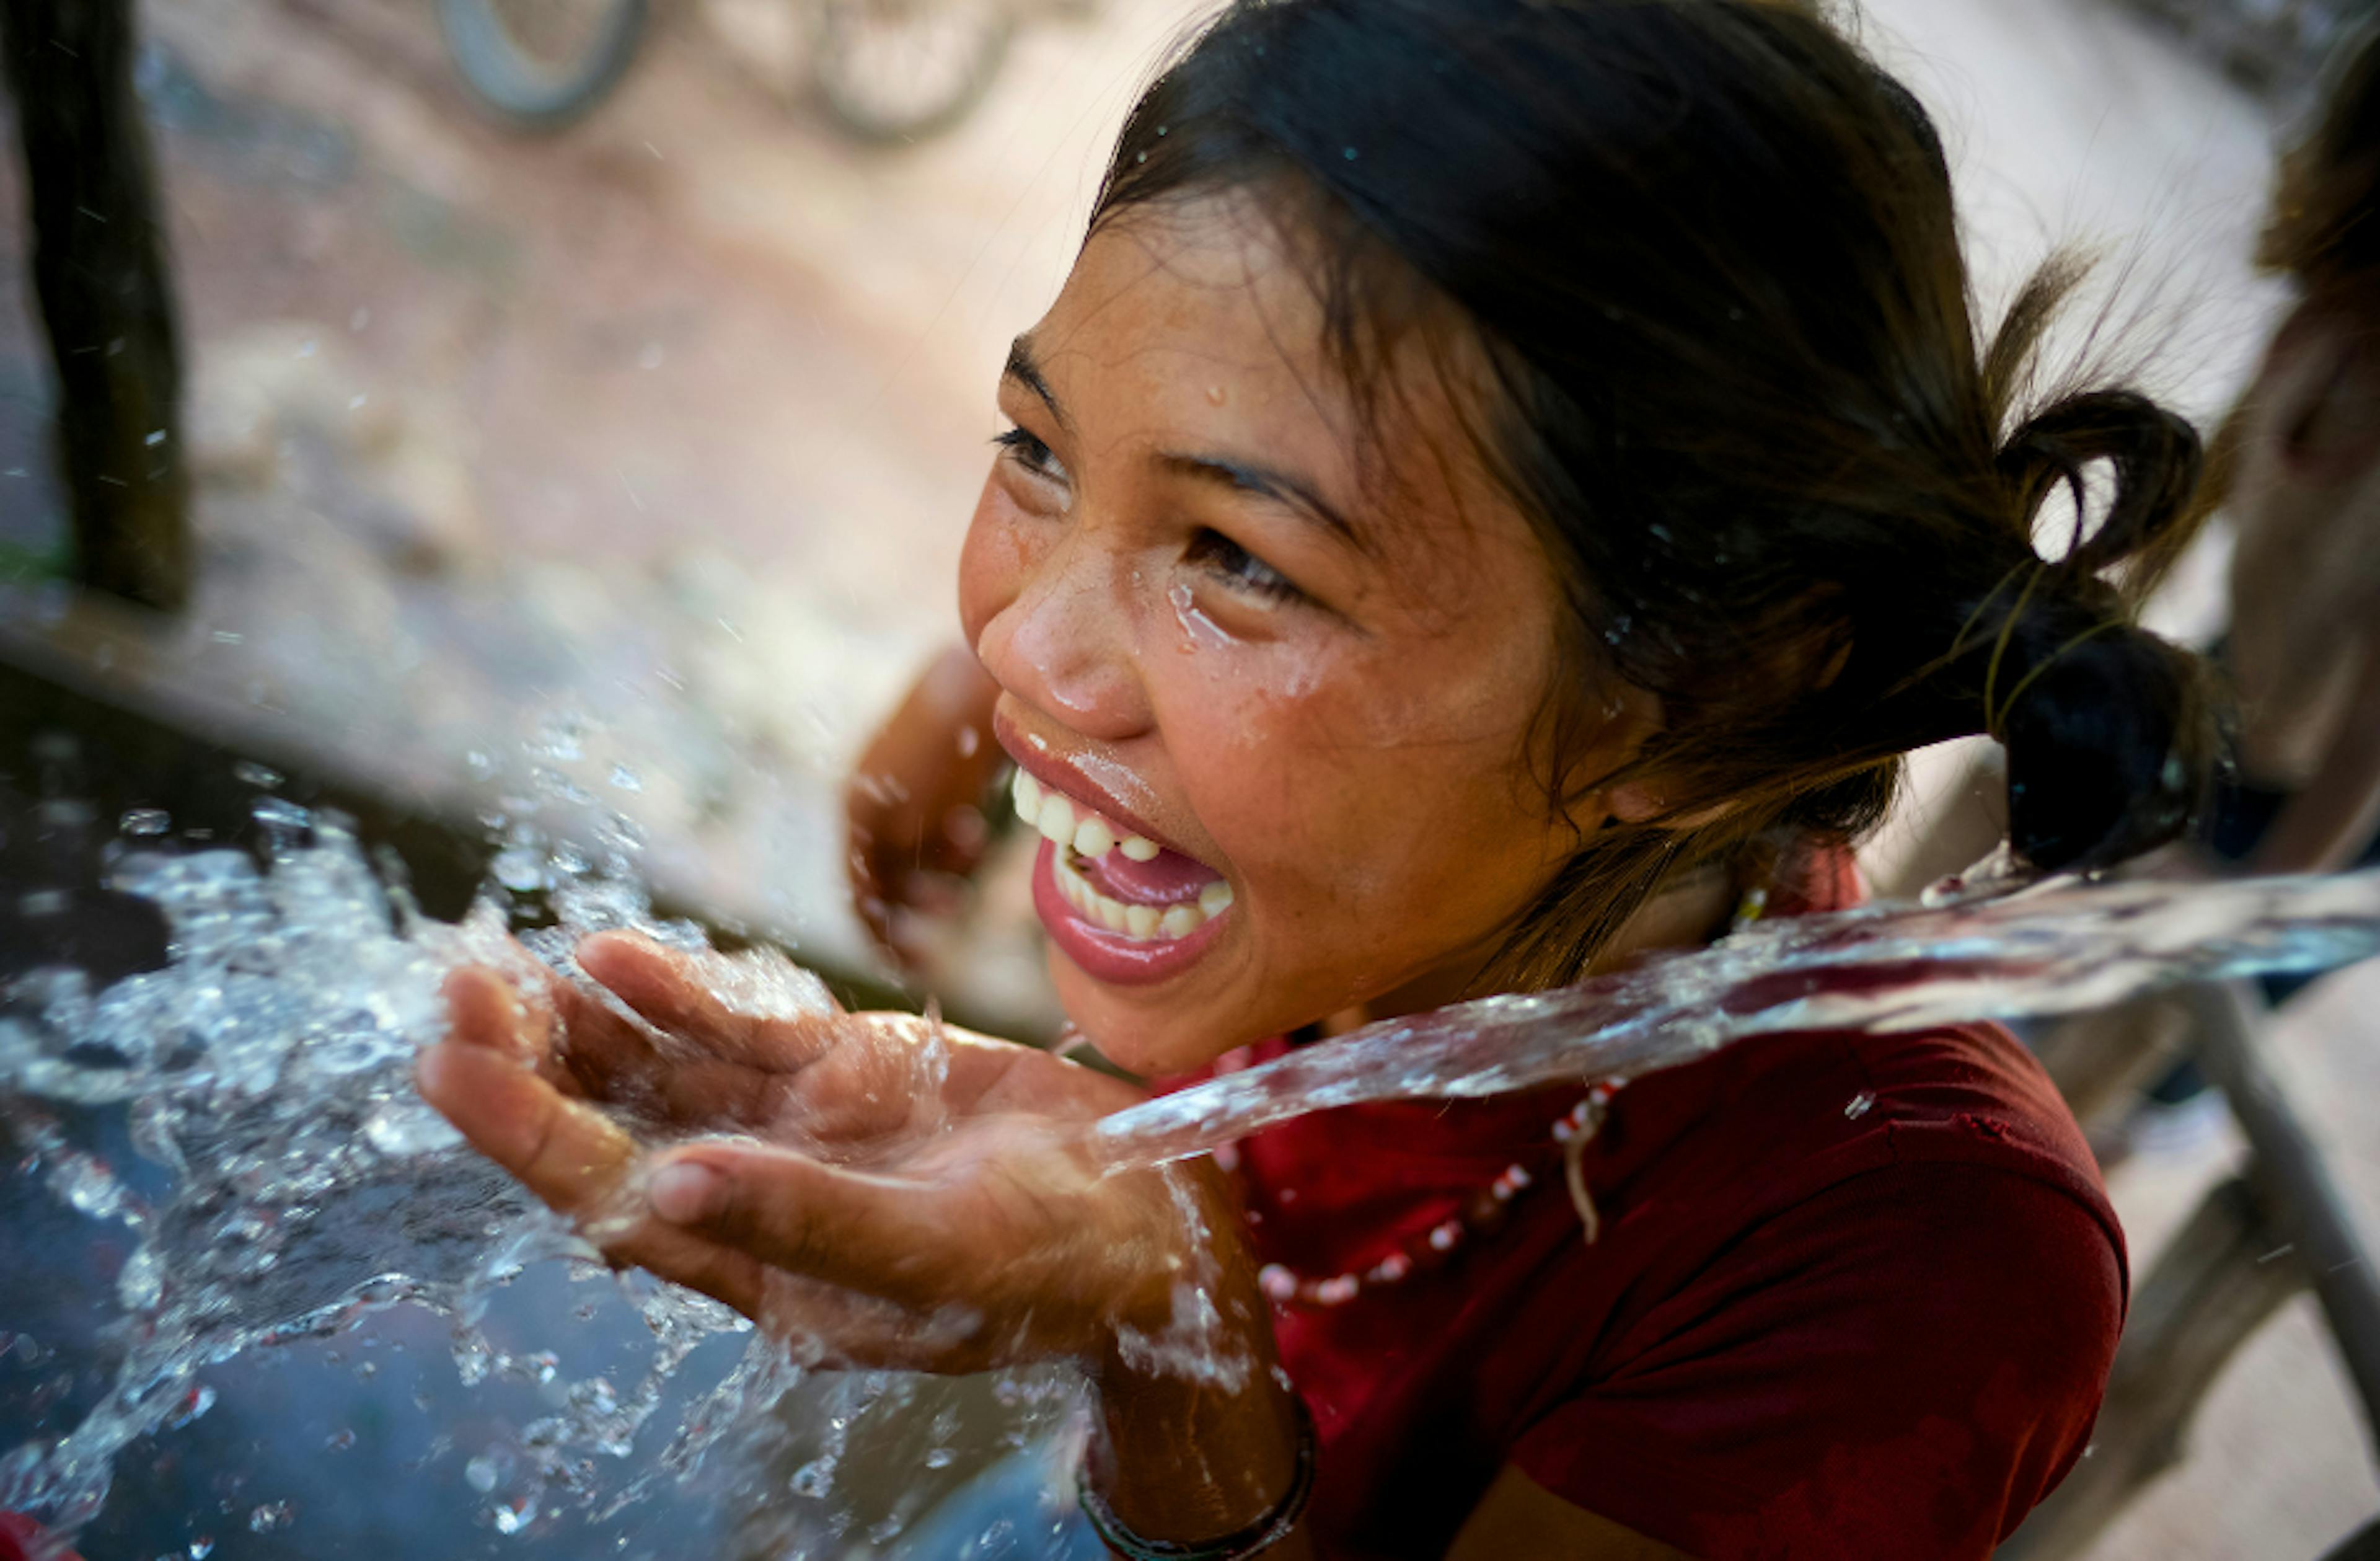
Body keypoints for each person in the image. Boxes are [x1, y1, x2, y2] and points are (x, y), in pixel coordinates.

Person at [418, 1, 2224, 1555]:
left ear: (1681, 703)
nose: (1033, 653)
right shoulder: (1370, 836)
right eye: (1033, 449)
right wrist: (960, 699)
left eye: (1240, 559)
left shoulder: (1912, 1276)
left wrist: (1169, 1337)